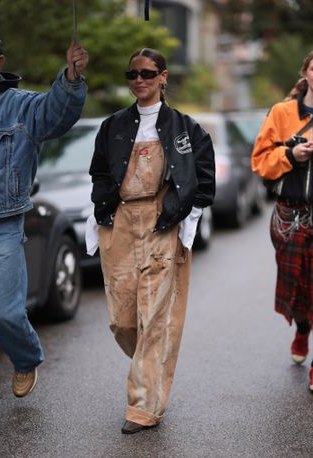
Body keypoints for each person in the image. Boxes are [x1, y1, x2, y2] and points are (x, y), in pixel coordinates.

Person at [88, 48, 215, 434]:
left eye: (146, 73)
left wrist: (184, 218)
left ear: (163, 76)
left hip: (163, 222)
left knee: (156, 318)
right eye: (132, 74)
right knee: (123, 321)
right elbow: (98, 174)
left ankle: (144, 406)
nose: (138, 80)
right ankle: (152, 366)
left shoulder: (186, 128)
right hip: (121, 222)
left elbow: (204, 181)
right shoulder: (111, 126)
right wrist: (98, 217)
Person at [0, 33, 89, 398]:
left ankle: (25, 358)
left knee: (5, 313)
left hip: (3, 224)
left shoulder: (22, 107)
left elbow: (57, 114)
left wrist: (71, 76)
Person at [252, 50, 313, 392]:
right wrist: (291, 154)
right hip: (290, 214)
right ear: (305, 72)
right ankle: (303, 328)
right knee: (297, 287)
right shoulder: (281, 113)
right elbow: (260, 161)